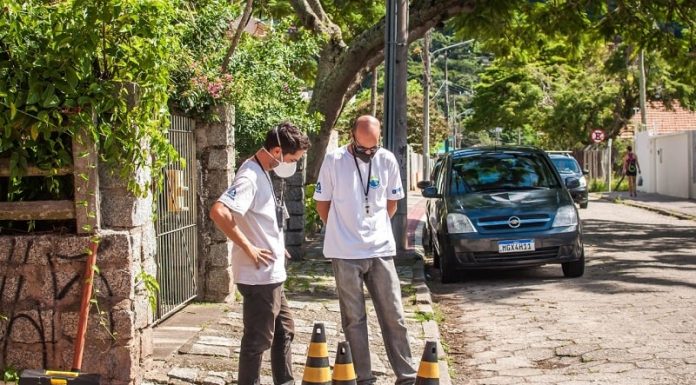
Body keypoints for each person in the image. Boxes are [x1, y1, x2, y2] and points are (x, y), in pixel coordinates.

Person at [313, 115, 416, 385]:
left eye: (373, 148)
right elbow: (322, 204)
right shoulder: (334, 160)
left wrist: (374, 227)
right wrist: (342, 229)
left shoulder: (387, 160)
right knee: (354, 319)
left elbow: (392, 203)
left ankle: (406, 376)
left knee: (394, 314)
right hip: (344, 252)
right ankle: (364, 377)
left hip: (380, 249)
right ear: (352, 136)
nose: (368, 153)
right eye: (363, 148)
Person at [210, 122, 310, 385]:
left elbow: (259, 219)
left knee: (284, 331)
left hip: (272, 274)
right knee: (258, 340)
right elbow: (219, 211)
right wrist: (249, 247)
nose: (292, 164)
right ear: (276, 151)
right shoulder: (250, 176)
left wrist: (276, 245)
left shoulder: (263, 171)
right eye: (292, 158)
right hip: (259, 277)